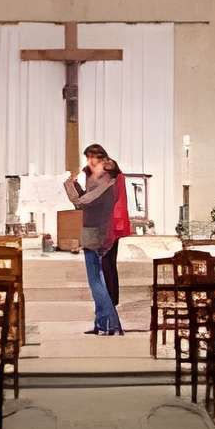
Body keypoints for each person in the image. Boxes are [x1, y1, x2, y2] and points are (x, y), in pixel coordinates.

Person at [66, 141, 132, 335]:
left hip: (100, 233)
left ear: (103, 160)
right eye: (88, 158)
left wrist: (69, 184)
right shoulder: (96, 179)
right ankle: (102, 324)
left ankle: (112, 324)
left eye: (93, 158)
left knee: (97, 280)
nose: (90, 162)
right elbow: (85, 199)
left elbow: (82, 202)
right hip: (93, 231)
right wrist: (74, 184)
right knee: (98, 280)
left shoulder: (108, 182)